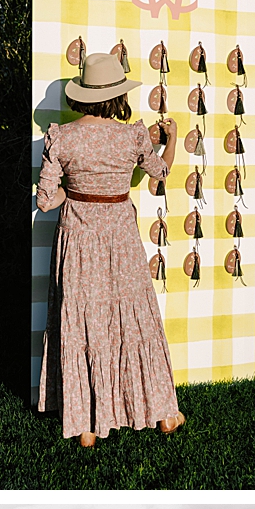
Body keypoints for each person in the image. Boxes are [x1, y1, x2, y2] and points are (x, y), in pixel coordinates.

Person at [35, 50, 185, 446]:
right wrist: (172, 140)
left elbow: (46, 201)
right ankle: (164, 413)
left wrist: (75, 192)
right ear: (118, 95)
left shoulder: (61, 136)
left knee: (83, 320)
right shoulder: (132, 135)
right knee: (134, 318)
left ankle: (86, 424)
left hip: (78, 238)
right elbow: (161, 173)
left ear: (82, 94)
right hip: (121, 237)